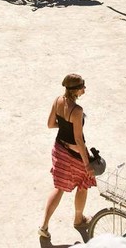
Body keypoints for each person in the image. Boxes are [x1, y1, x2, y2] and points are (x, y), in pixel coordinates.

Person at [39, 74, 96, 240]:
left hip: (59, 149)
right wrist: (87, 164)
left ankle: (44, 226)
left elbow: (50, 124)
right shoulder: (77, 111)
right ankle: (79, 219)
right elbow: (78, 139)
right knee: (83, 183)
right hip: (74, 153)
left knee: (59, 187)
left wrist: (64, 127)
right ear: (75, 90)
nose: (84, 89)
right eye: (82, 87)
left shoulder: (58, 100)